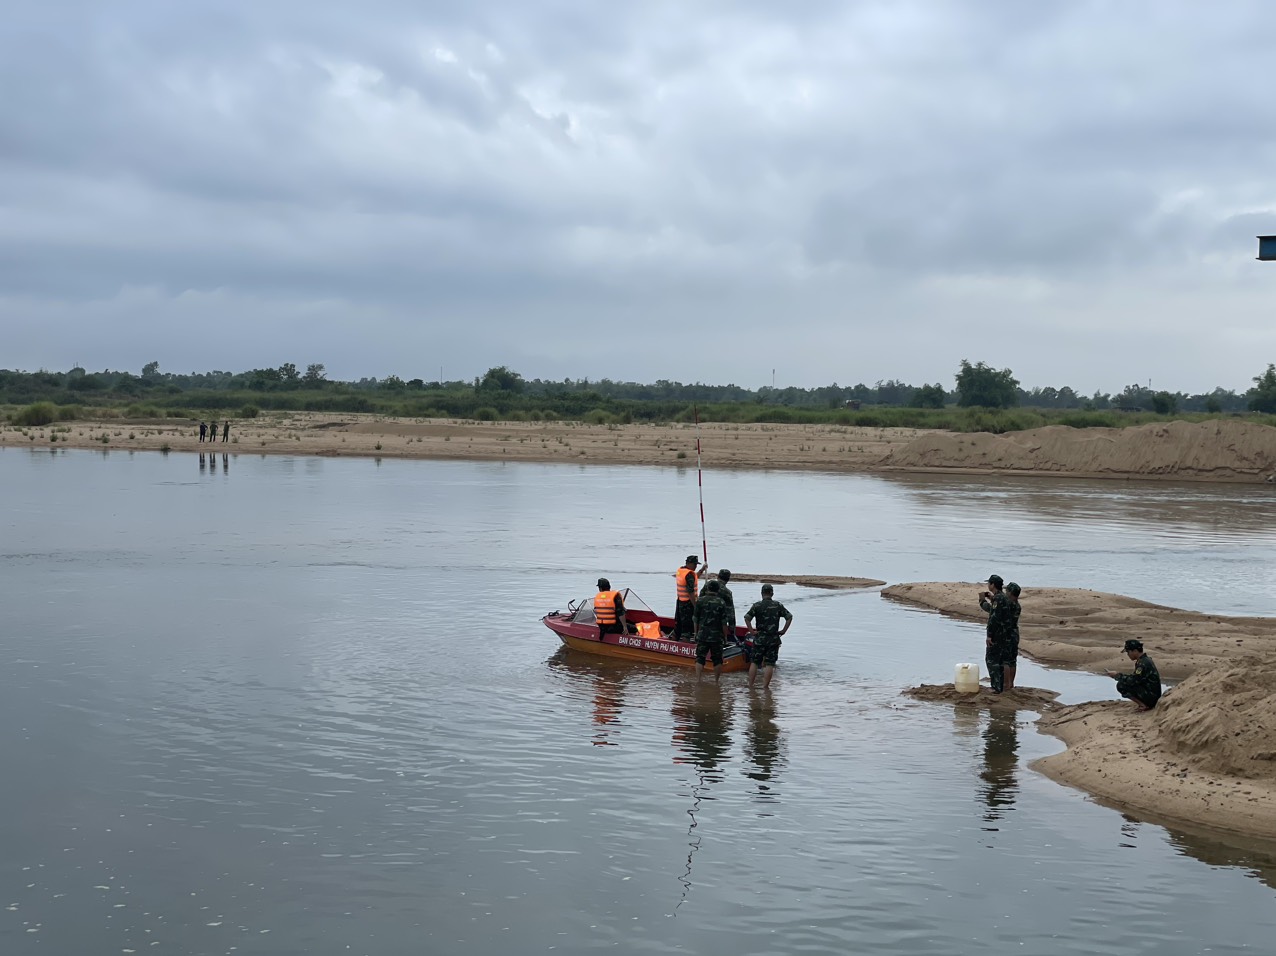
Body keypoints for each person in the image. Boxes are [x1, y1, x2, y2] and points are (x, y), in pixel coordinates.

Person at [744, 584, 793, 690]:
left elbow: (747, 618)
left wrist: (752, 631)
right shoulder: (778, 605)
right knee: (770, 664)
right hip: (773, 639)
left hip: (759, 638)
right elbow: (789, 617)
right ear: (772, 593)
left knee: (754, 662)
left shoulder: (757, 605)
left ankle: (750, 686)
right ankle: (765, 688)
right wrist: (783, 631)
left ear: (762, 593)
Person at [978, 574, 1015, 694]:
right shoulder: (1001, 598)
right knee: (999, 660)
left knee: (992, 660)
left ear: (993, 585)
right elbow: (993, 610)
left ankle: (996, 687)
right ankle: (999, 686)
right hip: (1004, 635)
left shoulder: (999, 599)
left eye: (989, 583)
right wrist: (987, 599)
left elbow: (994, 618)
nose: (988, 585)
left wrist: (989, 635)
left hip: (998, 635)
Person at [1107, 639, 1162, 710]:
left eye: (1128, 652)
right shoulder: (1144, 660)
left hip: (1152, 696)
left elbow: (1134, 680)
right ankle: (1144, 704)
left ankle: (1144, 705)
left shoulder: (1143, 663)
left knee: (1121, 685)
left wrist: (1117, 675)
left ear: (1135, 651)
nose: (1128, 655)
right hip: (1152, 693)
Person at [693, 579, 731, 682]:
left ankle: (698, 679)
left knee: (700, 658)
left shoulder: (700, 601)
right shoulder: (721, 602)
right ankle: (716, 681)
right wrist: (725, 636)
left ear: (708, 588)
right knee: (717, 660)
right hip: (717, 636)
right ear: (717, 590)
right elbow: (724, 622)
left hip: (702, 634)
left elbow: (695, 619)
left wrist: (696, 633)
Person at [673, 554, 701, 641]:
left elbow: (694, 578)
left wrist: (702, 569)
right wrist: (695, 606)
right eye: (695, 564)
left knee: (678, 625)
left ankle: (675, 639)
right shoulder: (689, 574)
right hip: (688, 603)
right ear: (689, 563)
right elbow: (691, 592)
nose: (696, 566)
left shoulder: (681, 570)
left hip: (680, 601)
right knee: (687, 627)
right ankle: (685, 646)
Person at [700, 568, 737, 633]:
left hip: (703, 619)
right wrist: (732, 627)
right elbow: (730, 612)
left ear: (718, 576)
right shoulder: (727, 593)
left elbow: (699, 600)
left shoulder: (708, 585)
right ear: (728, 579)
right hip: (718, 623)